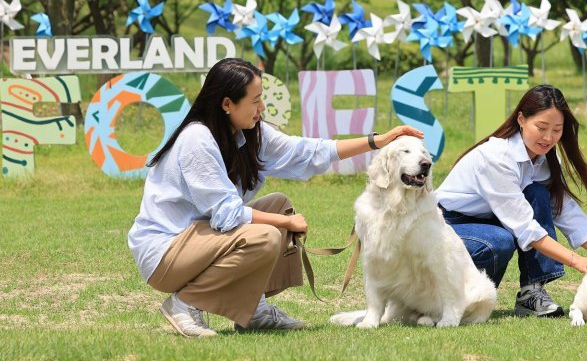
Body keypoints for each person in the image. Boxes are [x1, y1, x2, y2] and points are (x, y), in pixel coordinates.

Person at [128, 57, 422, 337]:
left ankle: (253, 310)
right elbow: (226, 214)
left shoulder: (249, 133)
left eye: (261, 98)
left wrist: (376, 141)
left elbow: (307, 152)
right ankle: (186, 303)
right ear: (227, 104)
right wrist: (285, 223)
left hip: (200, 242)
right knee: (266, 235)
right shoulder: (197, 139)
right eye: (255, 101)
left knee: (279, 204)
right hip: (166, 253)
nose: (262, 107)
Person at [436, 84, 587, 318]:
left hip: (487, 219)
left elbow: (563, 207)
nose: (548, 137)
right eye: (541, 127)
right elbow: (525, 227)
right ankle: (453, 298)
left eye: (557, 130)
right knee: (499, 241)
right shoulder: (497, 158)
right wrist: (577, 261)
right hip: (446, 225)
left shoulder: (544, 156)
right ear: (521, 119)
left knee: (538, 193)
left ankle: (531, 292)